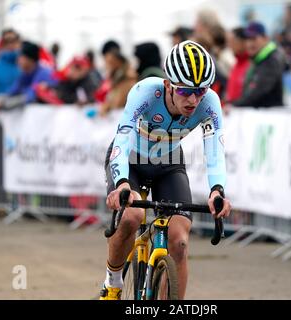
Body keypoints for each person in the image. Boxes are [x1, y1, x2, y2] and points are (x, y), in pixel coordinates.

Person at [99, 40, 232, 300]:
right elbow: (123, 137)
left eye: (200, 91)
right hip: (131, 164)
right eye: (185, 91)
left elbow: (214, 150)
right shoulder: (145, 92)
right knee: (131, 218)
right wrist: (122, 183)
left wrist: (217, 190)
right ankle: (113, 285)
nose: (193, 99)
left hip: (168, 165)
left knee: (179, 242)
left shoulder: (210, 103)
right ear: (168, 84)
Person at [228, 21, 286, 108]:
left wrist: (233, 105)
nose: (249, 44)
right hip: (260, 116)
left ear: (265, 38)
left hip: (269, 118)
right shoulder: (258, 59)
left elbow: (256, 93)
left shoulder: (270, 61)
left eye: (253, 39)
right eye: (247, 39)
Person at [0, 40, 54, 113]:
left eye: (21, 57)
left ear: (30, 59)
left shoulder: (45, 74)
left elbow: (31, 96)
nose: (17, 60)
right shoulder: (25, 75)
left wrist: (4, 104)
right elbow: (11, 92)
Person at [98, 49, 137, 116]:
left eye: (109, 62)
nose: (106, 65)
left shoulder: (127, 78)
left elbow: (118, 103)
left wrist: (106, 106)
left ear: (118, 62)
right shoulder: (115, 78)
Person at [225, 27, 251, 103]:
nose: (229, 45)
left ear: (243, 42)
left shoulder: (251, 65)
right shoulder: (236, 64)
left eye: (232, 41)